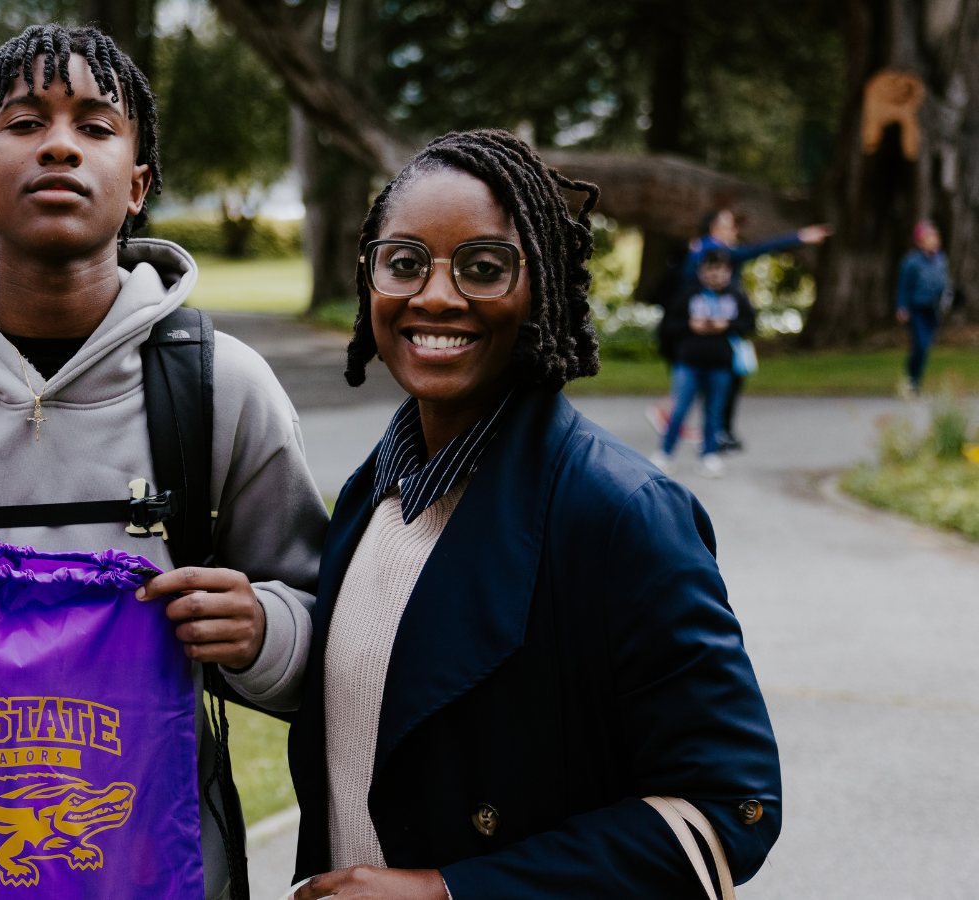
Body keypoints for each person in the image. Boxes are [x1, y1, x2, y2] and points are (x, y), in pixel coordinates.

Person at [0, 25, 330, 898]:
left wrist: (265, 632)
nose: (60, 146)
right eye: (24, 121)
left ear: (138, 185)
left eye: (96, 126)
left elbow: (320, 648)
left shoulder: (221, 386)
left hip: (161, 869)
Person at [286, 130, 780, 900]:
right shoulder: (369, 494)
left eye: (484, 268)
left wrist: (451, 891)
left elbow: (730, 809)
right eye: (404, 262)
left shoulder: (620, 515)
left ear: (540, 286)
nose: (435, 295)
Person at [661, 209, 828, 452]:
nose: (735, 231)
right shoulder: (713, 252)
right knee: (714, 389)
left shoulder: (699, 250)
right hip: (705, 339)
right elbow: (759, 249)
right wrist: (799, 237)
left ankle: (715, 435)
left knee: (711, 388)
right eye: (730, 225)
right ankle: (704, 439)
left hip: (704, 336)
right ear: (715, 228)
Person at [651, 250, 753, 478]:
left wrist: (727, 325)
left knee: (714, 412)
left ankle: (709, 455)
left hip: (721, 364)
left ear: (728, 272)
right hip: (689, 363)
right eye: (710, 271)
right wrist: (690, 325)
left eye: (720, 271)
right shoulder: (688, 295)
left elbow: (750, 323)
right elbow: (668, 326)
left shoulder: (736, 296)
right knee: (679, 410)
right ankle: (665, 454)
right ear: (701, 272)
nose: (715, 276)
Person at [896, 220, 950, 399]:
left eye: (935, 236)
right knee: (920, 344)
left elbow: (943, 283)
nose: (933, 240)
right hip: (917, 308)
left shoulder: (940, 259)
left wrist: (948, 298)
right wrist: (902, 307)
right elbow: (904, 286)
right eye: (929, 237)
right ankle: (913, 379)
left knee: (925, 346)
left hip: (933, 309)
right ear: (920, 241)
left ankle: (915, 380)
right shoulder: (912, 262)